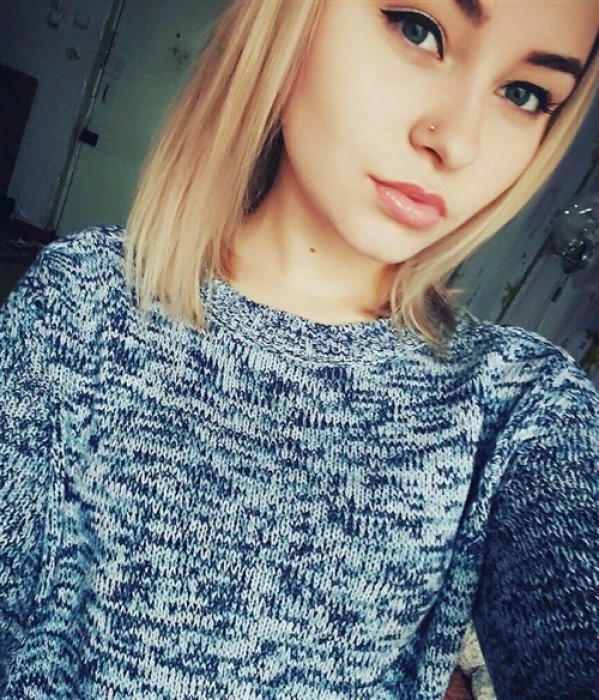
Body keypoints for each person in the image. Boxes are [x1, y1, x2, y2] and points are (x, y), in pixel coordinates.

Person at [1, 1, 598, 698]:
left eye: (524, 94)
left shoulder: (520, 408)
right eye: (419, 29)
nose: (458, 143)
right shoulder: (81, 299)